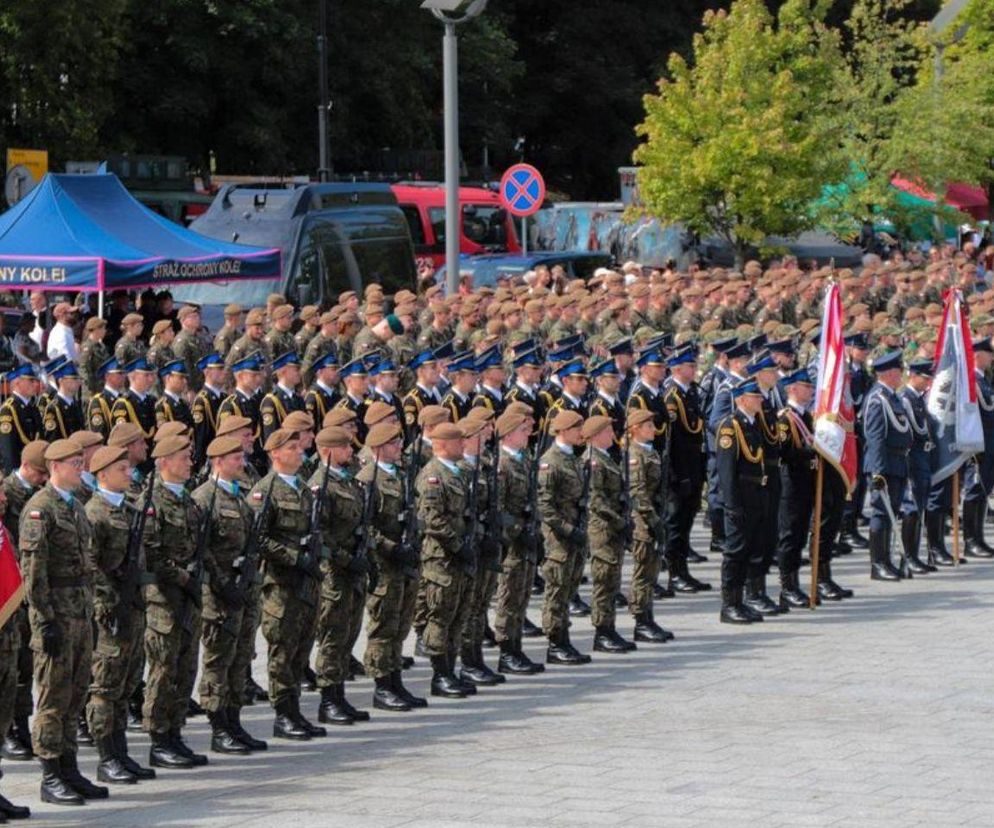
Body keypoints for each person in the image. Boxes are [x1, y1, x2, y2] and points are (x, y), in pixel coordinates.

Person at [22, 439, 105, 805]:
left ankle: (70, 768)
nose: (80, 468)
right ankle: (50, 774)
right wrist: (44, 622)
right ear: (54, 466)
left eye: (81, 462)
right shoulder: (40, 509)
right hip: (56, 614)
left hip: (80, 613)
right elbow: (33, 575)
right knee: (53, 699)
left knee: (76, 697)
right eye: (74, 463)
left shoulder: (75, 507)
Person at [84, 444, 155, 785]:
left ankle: (121, 750)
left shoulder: (129, 509)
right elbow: (90, 565)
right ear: (102, 475)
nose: (129, 474)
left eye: (128, 468)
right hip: (110, 610)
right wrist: (111, 591)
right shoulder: (94, 513)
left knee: (127, 682)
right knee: (106, 686)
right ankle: (106, 755)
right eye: (121, 470)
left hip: (134, 606)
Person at [192, 435, 267, 755]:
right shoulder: (204, 498)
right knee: (218, 661)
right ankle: (218, 726)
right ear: (218, 462)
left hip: (244, 590)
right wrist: (224, 584)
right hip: (218, 594)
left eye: (241, 457)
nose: (242, 462)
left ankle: (234, 721)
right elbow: (202, 549)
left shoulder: (239, 496)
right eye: (235, 458)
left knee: (240, 658)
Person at [251, 428, 326, 741]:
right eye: (292, 448)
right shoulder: (265, 491)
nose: (299, 452)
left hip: (306, 582)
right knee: (282, 650)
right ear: (275, 454)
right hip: (281, 584)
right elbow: (259, 538)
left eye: (299, 446)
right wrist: (294, 557)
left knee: (301, 648)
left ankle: (295, 709)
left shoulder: (303, 488)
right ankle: (283, 714)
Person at [141, 434, 207, 769]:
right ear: (165, 461)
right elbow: (149, 554)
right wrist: (184, 576)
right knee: (164, 669)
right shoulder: (152, 502)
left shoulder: (188, 500)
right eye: (183, 457)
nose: (190, 462)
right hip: (164, 599)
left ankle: (175, 731)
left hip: (189, 597)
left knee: (186, 666)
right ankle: (157, 738)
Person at [360, 421, 424, 710]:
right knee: (383, 626)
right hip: (384, 565)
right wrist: (392, 548)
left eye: (399, 442)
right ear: (376, 448)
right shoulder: (367, 480)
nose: (399, 447)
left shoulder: (399, 475)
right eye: (392, 443)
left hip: (404, 562)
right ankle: (381, 685)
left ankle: (395, 679)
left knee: (400, 624)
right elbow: (366, 527)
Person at [308, 426, 369, 724]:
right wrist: (346, 559)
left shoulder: (347, 481)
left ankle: (340, 694)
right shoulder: (321, 485)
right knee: (333, 636)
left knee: (348, 633)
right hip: (334, 574)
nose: (351, 452)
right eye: (345, 447)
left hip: (352, 572)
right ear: (328, 451)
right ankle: (328, 699)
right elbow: (320, 536)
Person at [415, 420, 475, 697]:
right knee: (440, 615)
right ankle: (439, 675)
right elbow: (432, 519)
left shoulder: (457, 472)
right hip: (441, 557)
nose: (464, 444)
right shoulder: (433, 475)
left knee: (457, 615)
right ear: (443, 445)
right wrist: (456, 543)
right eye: (458, 441)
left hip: (458, 554)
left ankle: (451, 669)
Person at [1, 439, 48, 765]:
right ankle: (12, 733)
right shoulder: (13, 493)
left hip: (20, 593)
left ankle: (18, 726)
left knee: (22, 668)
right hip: (9, 595)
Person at [537, 410, 592, 664]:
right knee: (556, 590)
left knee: (568, 588)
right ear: (563, 431)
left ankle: (565, 637)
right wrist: (568, 530)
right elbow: (545, 506)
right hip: (560, 536)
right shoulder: (551, 461)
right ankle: (555, 642)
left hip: (575, 533)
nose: (581, 432)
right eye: (576, 428)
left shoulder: (573, 458)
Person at [715, 378, 770, 624]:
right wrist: (732, 504)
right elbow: (726, 471)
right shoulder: (730, 427)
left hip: (756, 496)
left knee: (750, 549)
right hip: (739, 499)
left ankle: (742, 601)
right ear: (741, 399)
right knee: (735, 552)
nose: (760, 400)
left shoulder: (752, 424)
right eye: (755, 396)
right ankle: (729, 604)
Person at [583, 414, 634, 653]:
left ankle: (610, 627)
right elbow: (596, 501)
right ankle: (602, 631)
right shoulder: (593, 461)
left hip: (613, 527)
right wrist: (619, 521)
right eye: (607, 431)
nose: (612, 435)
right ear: (595, 436)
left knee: (612, 580)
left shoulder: (607, 458)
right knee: (603, 581)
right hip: (603, 529)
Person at [862, 351, 914, 581]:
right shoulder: (877, 399)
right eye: (898, 371)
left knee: (892, 510)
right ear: (890, 373)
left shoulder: (892, 397)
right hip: (885, 465)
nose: (901, 375)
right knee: (882, 513)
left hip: (898, 462)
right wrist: (878, 471)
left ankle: (887, 560)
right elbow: (875, 438)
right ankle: (878, 564)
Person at [625, 408, 673, 642]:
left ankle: (648, 615)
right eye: (648, 426)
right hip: (642, 521)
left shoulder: (651, 452)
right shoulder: (635, 455)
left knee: (652, 569)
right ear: (635, 429)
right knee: (643, 570)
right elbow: (637, 492)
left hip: (654, 516)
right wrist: (652, 519)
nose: (653, 429)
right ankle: (640, 620)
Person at [774, 369, 817, 608]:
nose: (810, 390)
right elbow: (783, 452)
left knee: (800, 534)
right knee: (790, 536)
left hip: (806, 482)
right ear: (791, 389)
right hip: (791, 483)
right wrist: (811, 451)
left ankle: (796, 583)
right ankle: (787, 586)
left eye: (810, 387)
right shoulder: (785, 419)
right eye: (805, 387)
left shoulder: (806, 417)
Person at [0, 364, 43, 474]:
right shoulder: (9, 409)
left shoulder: (33, 407)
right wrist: (13, 476)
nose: (36, 384)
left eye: (36, 381)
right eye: (31, 381)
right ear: (17, 383)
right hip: (20, 470)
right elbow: (8, 448)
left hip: (35, 468)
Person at [42, 360, 84, 441]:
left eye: (79, 379)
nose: (79, 382)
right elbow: (52, 440)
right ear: (61, 381)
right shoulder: (53, 408)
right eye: (74, 379)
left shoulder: (75, 403)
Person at [87, 357, 126, 440]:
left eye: (123, 373)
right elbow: (99, 433)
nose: (123, 376)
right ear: (107, 376)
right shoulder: (99, 401)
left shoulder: (124, 398)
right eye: (119, 373)